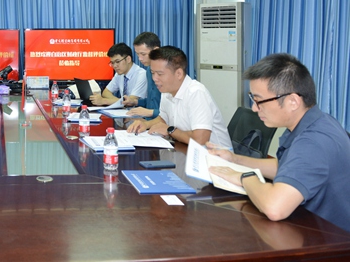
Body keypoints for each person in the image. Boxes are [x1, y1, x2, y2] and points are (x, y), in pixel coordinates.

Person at [209, 53, 350, 232]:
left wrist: (244, 177)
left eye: (259, 101)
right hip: (313, 227)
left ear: (293, 101)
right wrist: (235, 159)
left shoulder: (313, 142)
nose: (254, 108)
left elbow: (274, 208)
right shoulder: (319, 121)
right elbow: (287, 167)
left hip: (331, 240)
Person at [127, 45, 232, 149]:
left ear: (179, 74)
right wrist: (146, 124)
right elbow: (163, 119)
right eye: (152, 73)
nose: (155, 78)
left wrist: (170, 130)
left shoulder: (196, 93)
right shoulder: (166, 91)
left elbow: (200, 140)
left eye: (160, 74)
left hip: (216, 156)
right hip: (186, 149)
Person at [90, 42, 147, 107]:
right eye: (112, 63)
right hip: (124, 111)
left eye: (117, 62)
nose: (115, 66)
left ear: (128, 59)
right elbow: (106, 92)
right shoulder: (119, 74)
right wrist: (120, 101)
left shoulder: (142, 75)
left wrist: (104, 101)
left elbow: (130, 101)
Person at [124, 32, 161, 120]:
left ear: (156, 51)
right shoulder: (148, 70)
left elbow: (174, 112)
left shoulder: (168, 72)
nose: (140, 58)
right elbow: (152, 102)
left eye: (143, 54)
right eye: (137, 54)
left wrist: (149, 112)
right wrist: (135, 102)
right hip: (149, 122)